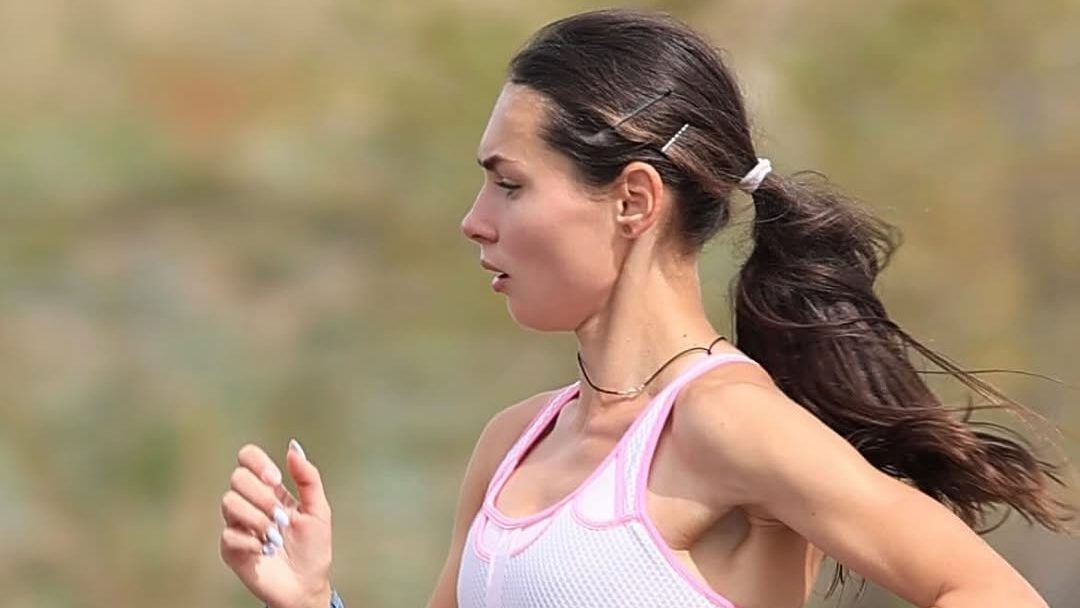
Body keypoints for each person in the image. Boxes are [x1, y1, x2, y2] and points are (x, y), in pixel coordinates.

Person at [219, 8, 1074, 608]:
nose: (474, 221)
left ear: (632, 200)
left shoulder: (728, 422)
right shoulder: (512, 445)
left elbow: (987, 591)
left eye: (510, 185)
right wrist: (314, 600)